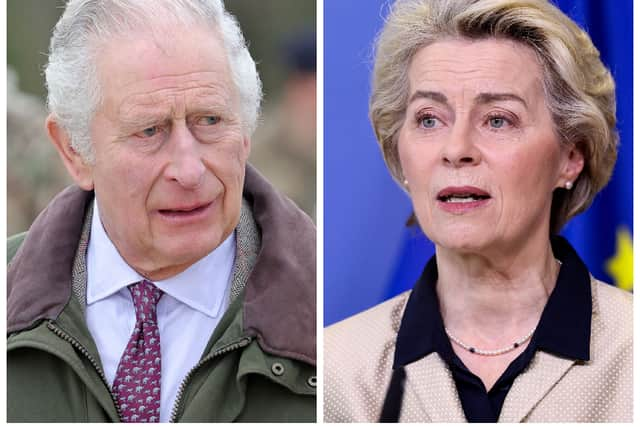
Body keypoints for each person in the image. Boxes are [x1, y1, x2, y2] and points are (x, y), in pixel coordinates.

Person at [7, 0, 316, 422]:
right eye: (149, 130)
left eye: (210, 120)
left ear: (245, 133)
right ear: (74, 151)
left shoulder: (330, 314)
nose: (189, 170)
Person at [324, 0, 631, 422]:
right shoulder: (334, 370)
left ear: (570, 157)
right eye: (429, 119)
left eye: (498, 120)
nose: (456, 150)